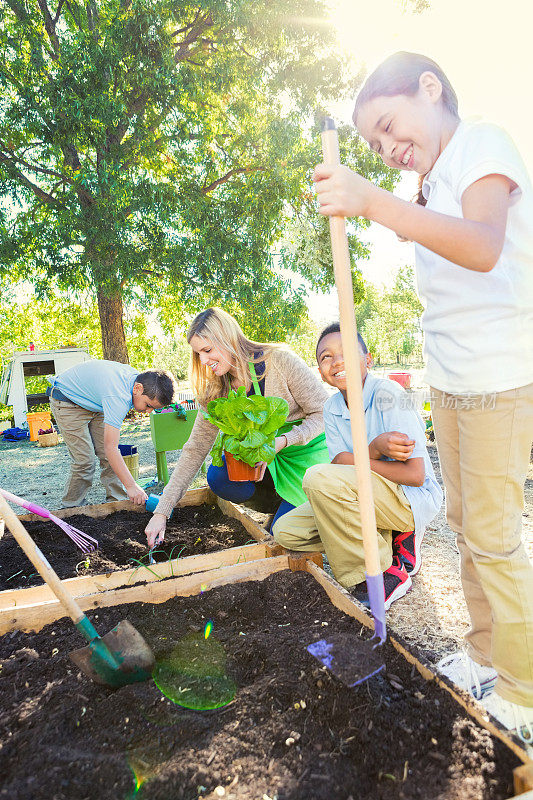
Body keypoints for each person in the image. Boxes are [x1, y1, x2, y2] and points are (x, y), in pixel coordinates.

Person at [313, 51, 533, 742]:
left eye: (388, 124)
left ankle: (524, 691)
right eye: (374, 145)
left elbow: (482, 247)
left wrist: (372, 201)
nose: (387, 148)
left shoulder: (481, 143)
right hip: (453, 379)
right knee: (468, 527)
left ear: (429, 88)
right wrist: (390, 206)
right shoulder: (428, 185)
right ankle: (484, 655)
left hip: (501, 376)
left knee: (495, 539)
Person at [273, 324, 442, 610]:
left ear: (368, 359)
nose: (337, 361)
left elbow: (415, 475)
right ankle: (384, 538)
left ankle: (381, 573)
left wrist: (358, 460)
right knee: (287, 530)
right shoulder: (332, 408)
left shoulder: (389, 395)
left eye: (347, 353)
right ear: (320, 370)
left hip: (408, 499)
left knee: (318, 478)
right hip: (364, 495)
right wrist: (375, 448)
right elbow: (340, 463)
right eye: (326, 357)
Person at [144, 307, 330, 547]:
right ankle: (282, 506)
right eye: (198, 353)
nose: (203, 360)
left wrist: (283, 441)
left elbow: (325, 412)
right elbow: (195, 450)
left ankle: (312, 504)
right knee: (219, 476)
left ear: (227, 339)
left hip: (305, 457)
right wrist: (162, 511)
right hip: (268, 462)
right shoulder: (216, 389)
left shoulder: (279, 362)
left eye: (208, 350)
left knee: (284, 538)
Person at [48, 360, 175, 507]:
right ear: (138, 389)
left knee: (110, 458)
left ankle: (118, 502)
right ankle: (71, 508)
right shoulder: (119, 397)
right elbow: (111, 447)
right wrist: (131, 486)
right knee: (85, 460)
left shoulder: (139, 381)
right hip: (67, 400)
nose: (148, 411)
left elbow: (109, 452)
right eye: (148, 405)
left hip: (95, 403)